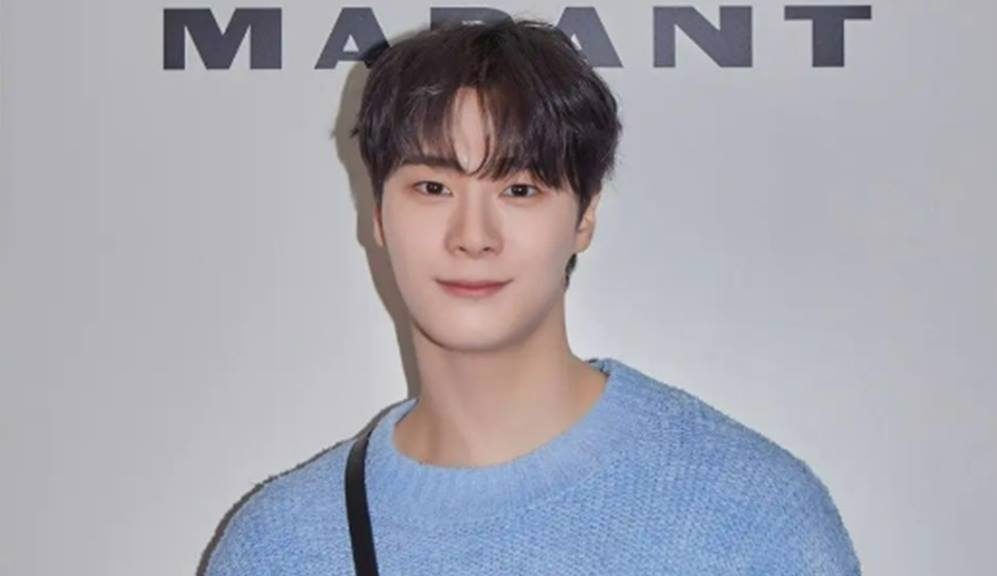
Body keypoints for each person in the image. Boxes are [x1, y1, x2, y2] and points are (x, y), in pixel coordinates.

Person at [204, 18, 861, 575]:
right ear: (378, 214)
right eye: (433, 188)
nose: (473, 236)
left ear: (584, 216)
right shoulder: (282, 546)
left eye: (519, 189)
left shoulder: (746, 511)